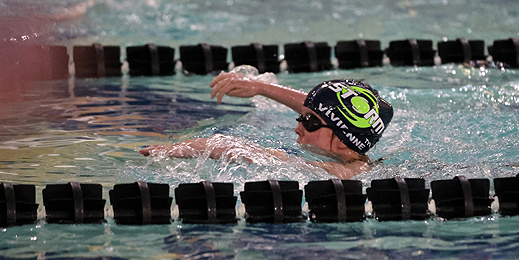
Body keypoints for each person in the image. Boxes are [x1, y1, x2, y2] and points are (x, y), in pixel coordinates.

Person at [139, 71, 394, 179]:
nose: (298, 127)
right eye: (302, 116)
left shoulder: (344, 174)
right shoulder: (348, 148)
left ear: (341, 141)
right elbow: (325, 113)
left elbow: (244, 152)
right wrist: (260, 87)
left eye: (308, 122)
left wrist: (184, 148)